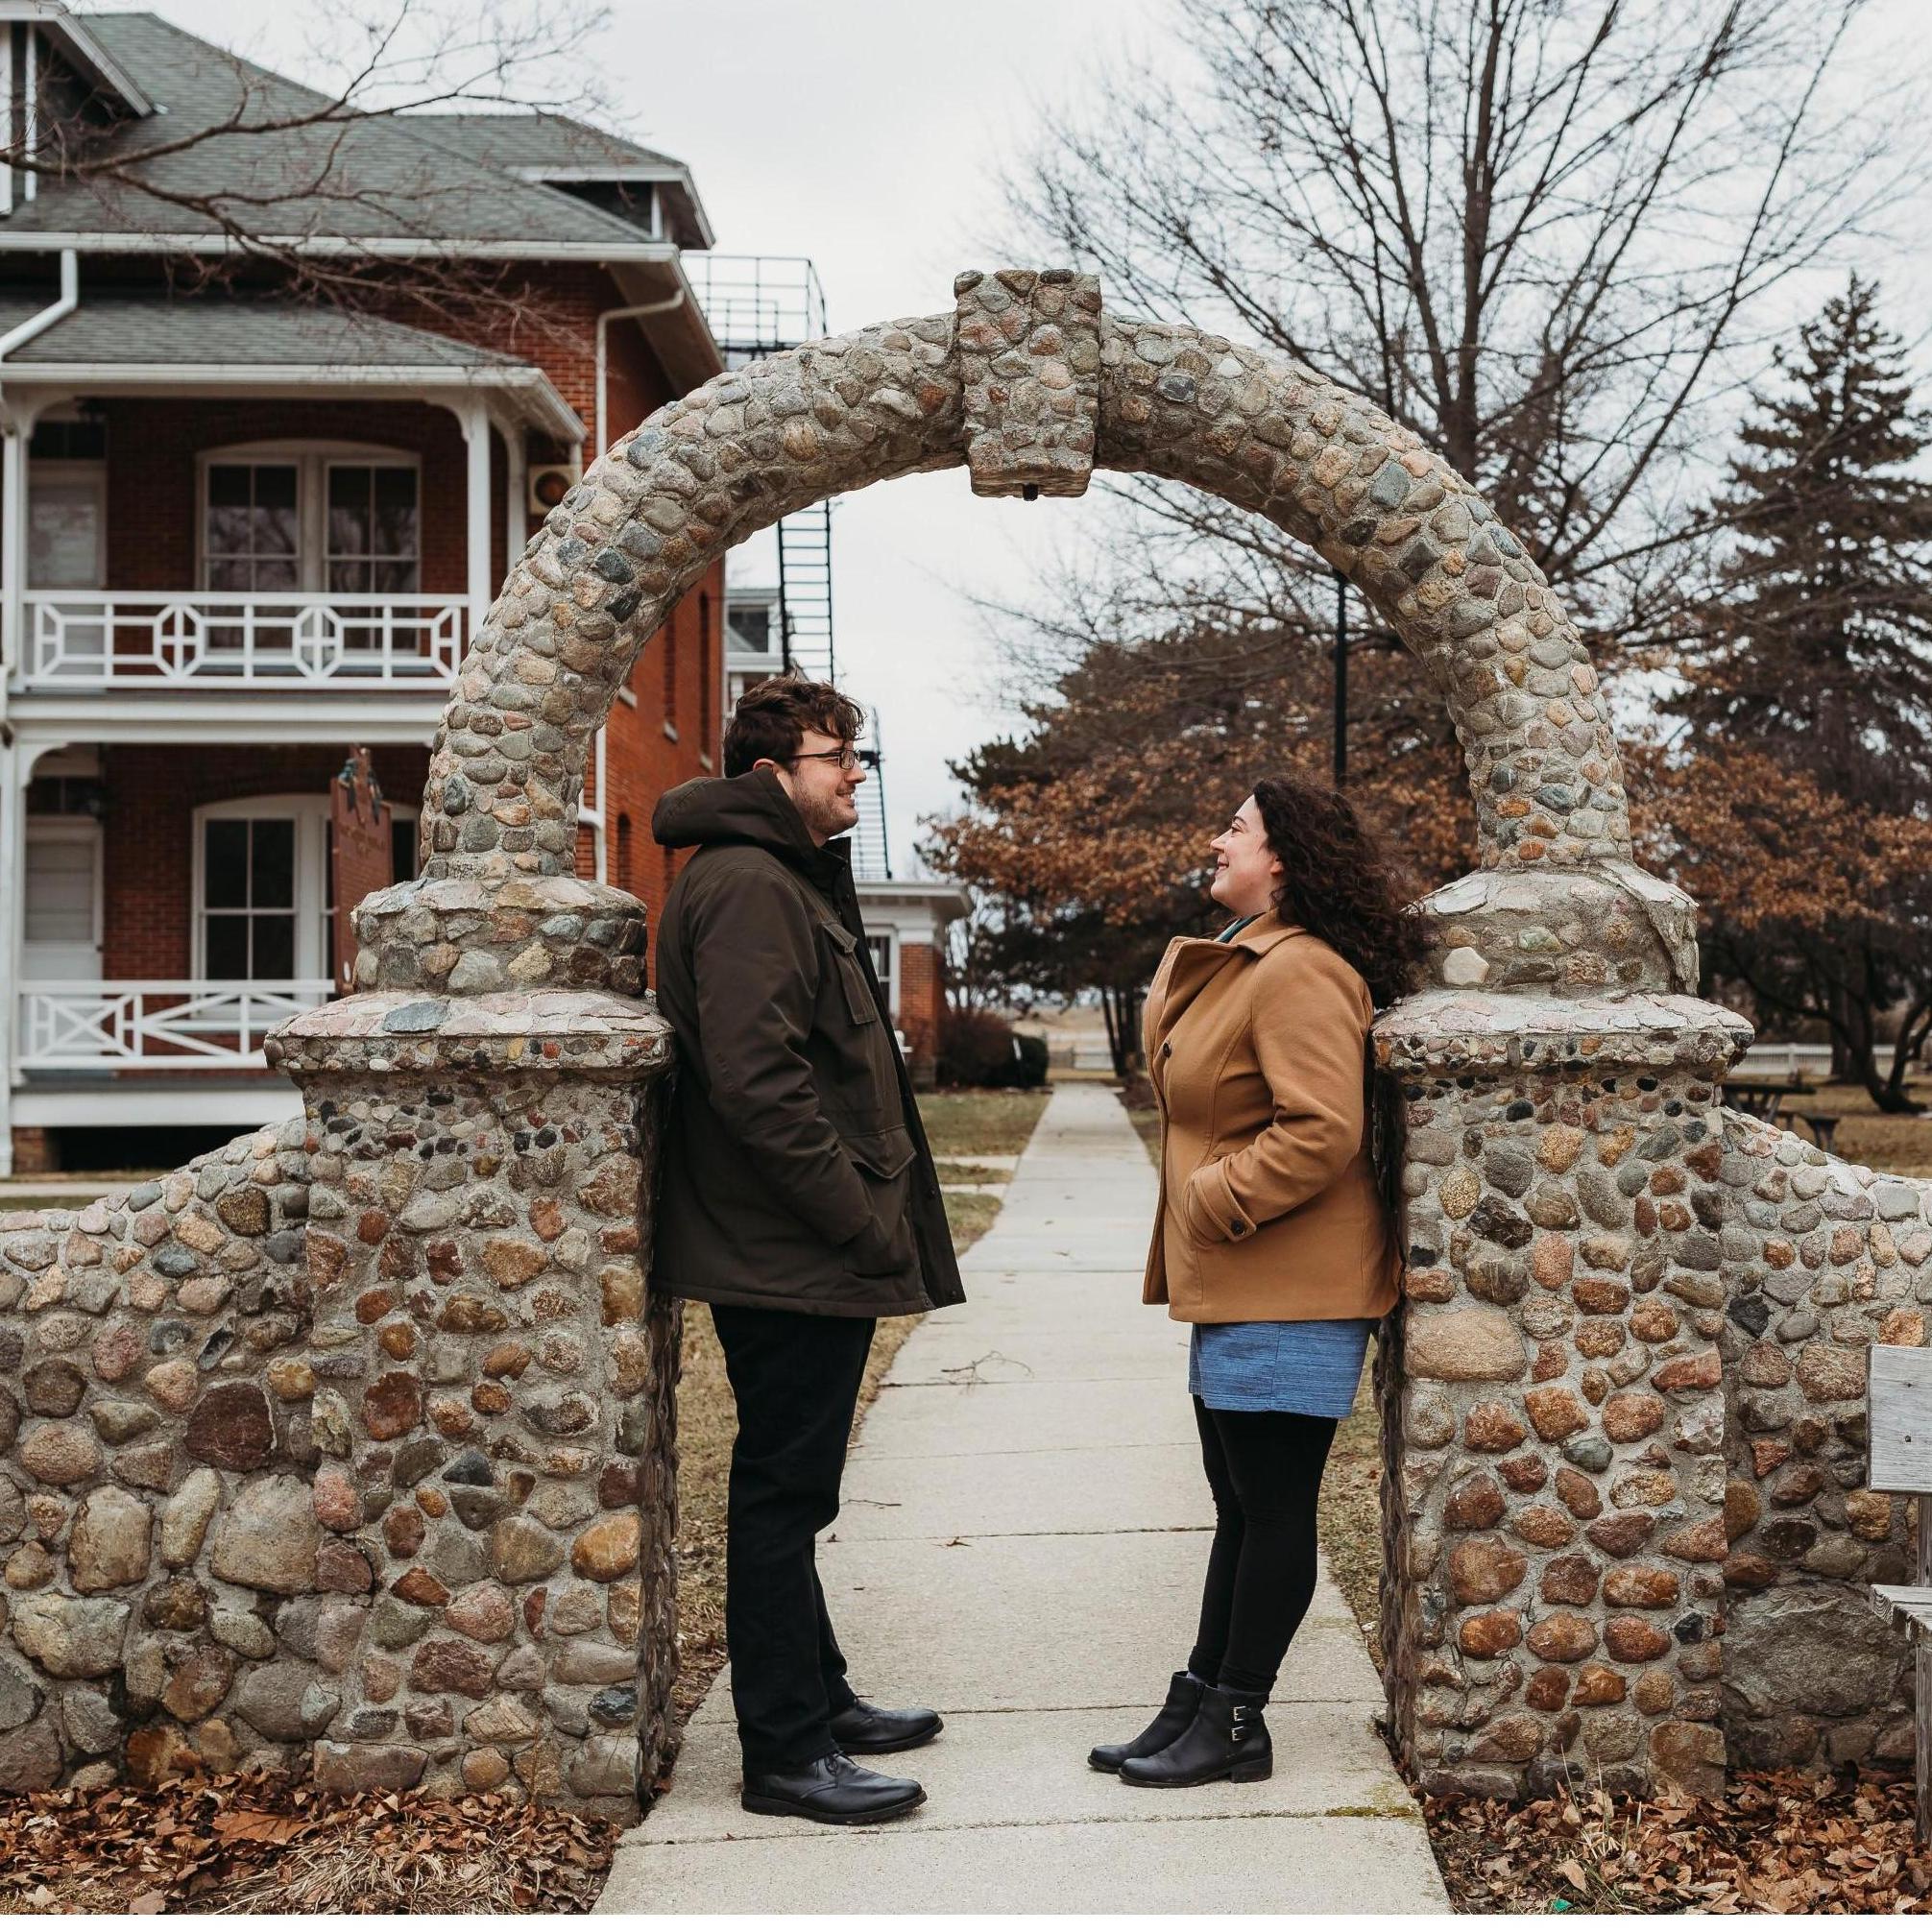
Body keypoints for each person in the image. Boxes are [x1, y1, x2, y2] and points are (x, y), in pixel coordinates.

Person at [650, 675, 965, 1826]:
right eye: (839, 756)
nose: (855, 774)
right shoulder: (746, 883)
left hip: (791, 1244)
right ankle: (784, 1751)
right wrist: (852, 1215)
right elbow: (758, 1080)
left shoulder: (780, 874)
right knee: (781, 1494)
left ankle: (818, 1698)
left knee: (795, 1486)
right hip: (784, 1248)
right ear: (771, 772)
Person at [1090, 773, 1430, 1788]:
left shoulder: (1301, 971)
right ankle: (1200, 1696)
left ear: (1281, 856)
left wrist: (1208, 1198)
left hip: (1292, 1287)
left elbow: (1321, 1128)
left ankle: (1238, 1718)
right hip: (1244, 1281)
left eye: (1234, 827)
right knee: (1239, 1506)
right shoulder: (1248, 956)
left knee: (1272, 1507)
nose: (1216, 838)